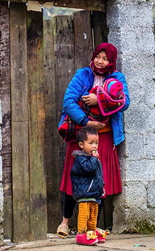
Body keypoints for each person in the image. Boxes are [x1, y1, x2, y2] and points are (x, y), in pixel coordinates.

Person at [57, 42, 130, 239]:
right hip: (81, 136)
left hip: (104, 138)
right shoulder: (83, 75)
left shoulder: (117, 78)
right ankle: (65, 222)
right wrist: (86, 122)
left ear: (111, 61)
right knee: (73, 179)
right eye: (98, 56)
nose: (100, 61)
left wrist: (100, 100)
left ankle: (92, 226)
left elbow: (125, 102)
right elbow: (68, 101)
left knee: (99, 181)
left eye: (105, 59)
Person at [71, 127, 105, 246]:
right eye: (91, 143)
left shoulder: (93, 159)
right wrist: (94, 159)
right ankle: (81, 234)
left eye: (96, 143)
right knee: (84, 215)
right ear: (81, 144)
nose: (94, 146)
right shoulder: (81, 159)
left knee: (93, 215)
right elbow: (88, 169)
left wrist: (102, 186)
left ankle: (91, 232)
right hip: (84, 192)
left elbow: (98, 175)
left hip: (94, 193)